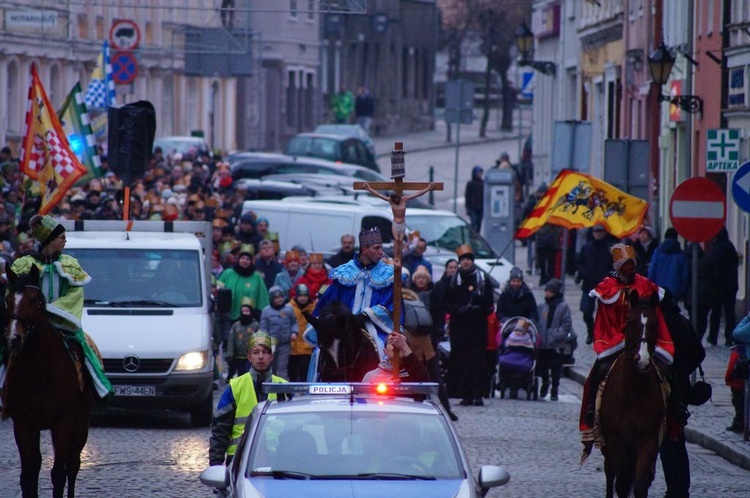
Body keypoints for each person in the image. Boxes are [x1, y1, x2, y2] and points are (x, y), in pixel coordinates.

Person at [1, 214, 112, 402]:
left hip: (62, 321)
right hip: (27, 322)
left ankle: (96, 390)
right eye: (62, 237)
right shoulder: (24, 264)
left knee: (84, 350)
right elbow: (13, 294)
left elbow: (75, 294)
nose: (65, 240)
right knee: (6, 349)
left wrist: (52, 310)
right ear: (50, 240)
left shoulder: (70, 264)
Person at [580, 244, 683, 436]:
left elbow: (653, 312)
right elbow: (606, 319)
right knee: (599, 370)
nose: (629, 267)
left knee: (668, 369)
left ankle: (676, 408)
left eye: (631, 263)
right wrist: (620, 337)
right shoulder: (607, 287)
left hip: (644, 338)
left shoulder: (644, 284)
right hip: (616, 338)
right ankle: (592, 410)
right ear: (618, 265)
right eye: (625, 264)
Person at [209, 331, 288, 466]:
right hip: (239, 459)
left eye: (265, 352)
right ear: (249, 357)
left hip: (276, 460)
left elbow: (294, 430)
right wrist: (216, 463)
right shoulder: (236, 386)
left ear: (271, 357)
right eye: (256, 352)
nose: (261, 357)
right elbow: (220, 428)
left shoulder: (284, 387)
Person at [658, 292, 706, 498]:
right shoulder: (683, 322)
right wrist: (685, 370)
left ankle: (673, 489)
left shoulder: (661, 325)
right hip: (681, 390)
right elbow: (699, 353)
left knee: (667, 443)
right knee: (676, 442)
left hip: (664, 389)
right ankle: (680, 490)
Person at [444, 244, 495, 407]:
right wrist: (459, 309)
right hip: (460, 329)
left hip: (477, 329)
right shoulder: (453, 280)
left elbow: (489, 304)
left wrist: (478, 302)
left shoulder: (482, 278)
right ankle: (465, 394)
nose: (465, 262)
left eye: (468, 259)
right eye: (463, 260)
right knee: (462, 362)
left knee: (478, 363)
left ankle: (478, 394)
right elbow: (447, 302)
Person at [362, 183, 435, 265]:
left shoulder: (404, 199)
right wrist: (368, 188)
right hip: (395, 223)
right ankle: (396, 256)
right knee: (396, 240)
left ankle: (399, 255)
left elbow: (417, 194)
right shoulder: (391, 201)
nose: (396, 201)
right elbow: (378, 195)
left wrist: (428, 189)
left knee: (400, 240)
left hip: (402, 223)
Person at [575, 224, 615, 344]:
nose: (598, 233)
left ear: (605, 232)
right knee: (586, 310)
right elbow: (579, 263)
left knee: (605, 313)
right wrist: (583, 273)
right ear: (593, 233)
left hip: (605, 286)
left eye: (601, 231)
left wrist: (609, 277)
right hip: (589, 284)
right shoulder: (587, 248)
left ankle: (602, 334)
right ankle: (591, 331)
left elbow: (616, 267)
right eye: (596, 231)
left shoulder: (611, 249)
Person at [217, 245, 270, 335]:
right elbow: (217, 290)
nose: (245, 261)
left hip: (249, 319)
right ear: (238, 259)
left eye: (248, 259)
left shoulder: (257, 277)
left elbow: (262, 297)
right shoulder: (228, 273)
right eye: (243, 258)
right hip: (228, 316)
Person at [536, 278, 572, 401]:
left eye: (550, 291)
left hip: (556, 343)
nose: (547, 294)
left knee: (556, 368)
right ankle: (545, 383)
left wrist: (557, 335)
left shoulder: (563, 307)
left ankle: (555, 389)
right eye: (546, 291)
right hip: (543, 343)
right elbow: (537, 321)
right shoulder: (542, 306)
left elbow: (566, 324)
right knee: (543, 367)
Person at [708, 227, 739, 346]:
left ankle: (713, 336)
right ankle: (729, 337)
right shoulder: (730, 247)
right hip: (731, 286)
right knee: (729, 312)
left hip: (717, 287)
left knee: (716, 313)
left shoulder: (717, 248)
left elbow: (713, 267)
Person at [362, 331, 430, 383]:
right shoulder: (371, 376)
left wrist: (404, 346)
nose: (396, 346)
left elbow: (425, 384)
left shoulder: (414, 373)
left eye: (400, 343)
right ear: (384, 351)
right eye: (392, 342)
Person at [260, 286, 297, 380]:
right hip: (271, 345)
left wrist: (294, 332)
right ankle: (270, 387)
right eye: (276, 298)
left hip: (285, 344)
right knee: (271, 366)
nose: (279, 299)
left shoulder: (289, 309)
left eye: (281, 297)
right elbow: (263, 328)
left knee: (282, 367)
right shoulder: (266, 311)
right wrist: (267, 340)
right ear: (272, 299)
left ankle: (283, 390)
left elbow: (294, 322)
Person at [648, 228, 688, 304]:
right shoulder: (681, 254)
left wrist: (649, 287)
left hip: (659, 289)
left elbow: (652, 270)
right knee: (672, 312)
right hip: (674, 290)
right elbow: (684, 275)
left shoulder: (658, 251)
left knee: (660, 312)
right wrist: (682, 290)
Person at [226, 297, 261, 380]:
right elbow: (231, 341)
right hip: (239, 356)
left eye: (247, 311)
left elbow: (259, 340)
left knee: (250, 374)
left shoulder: (255, 325)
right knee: (240, 374)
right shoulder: (236, 325)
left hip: (251, 356)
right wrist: (230, 355)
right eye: (243, 311)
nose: (245, 313)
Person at [288, 284, 315, 382]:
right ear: (296, 296)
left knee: (305, 373)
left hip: (307, 347)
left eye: (305, 295)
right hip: (292, 347)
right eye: (300, 295)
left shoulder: (314, 308)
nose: (303, 298)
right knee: (292, 374)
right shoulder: (289, 308)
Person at [464, 166, 484, 232]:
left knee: (479, 224)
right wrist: (467, 208)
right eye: (479, 173)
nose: (480, 174)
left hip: (480, 208)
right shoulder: (470, 183)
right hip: (473, 207)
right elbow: (467, 196)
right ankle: (473, 237)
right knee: (474, 224)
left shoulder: (483, 183)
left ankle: (477, 237)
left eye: (481, 173)